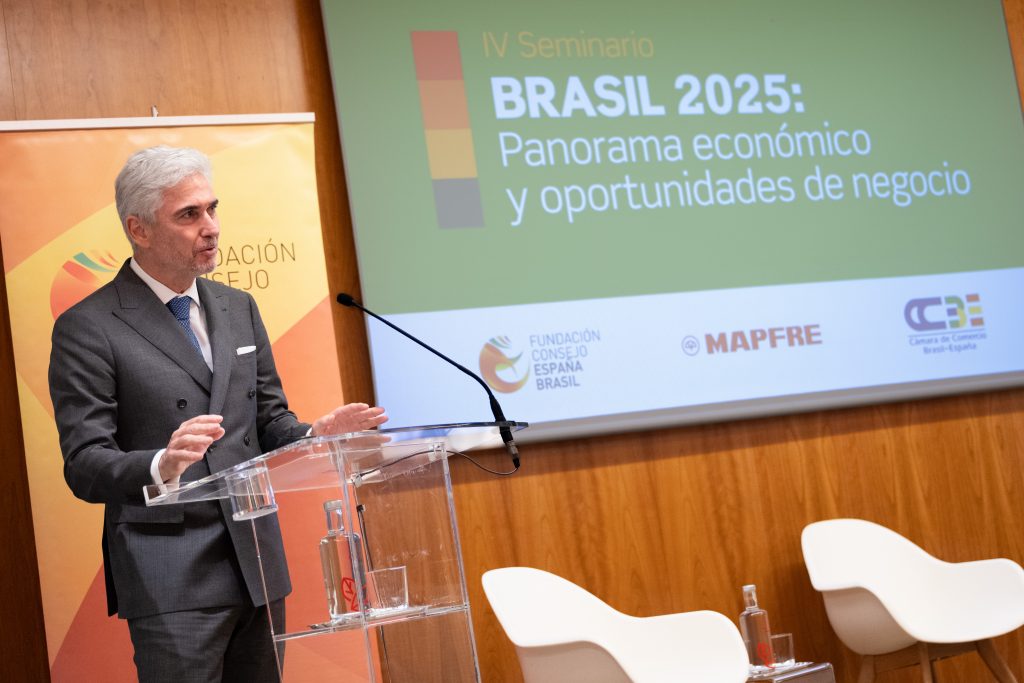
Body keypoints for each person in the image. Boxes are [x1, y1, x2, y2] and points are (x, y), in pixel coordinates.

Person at [48, 146, 387, 682]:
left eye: (212, 208)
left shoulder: (237, 307)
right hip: (171, 576)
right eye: (189, 214)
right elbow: (85, 464)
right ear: (139, 229)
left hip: (256, 563)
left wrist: (314, 434)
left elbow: (269, 422)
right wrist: (161, 464)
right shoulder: (89, 327)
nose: (211, 227)